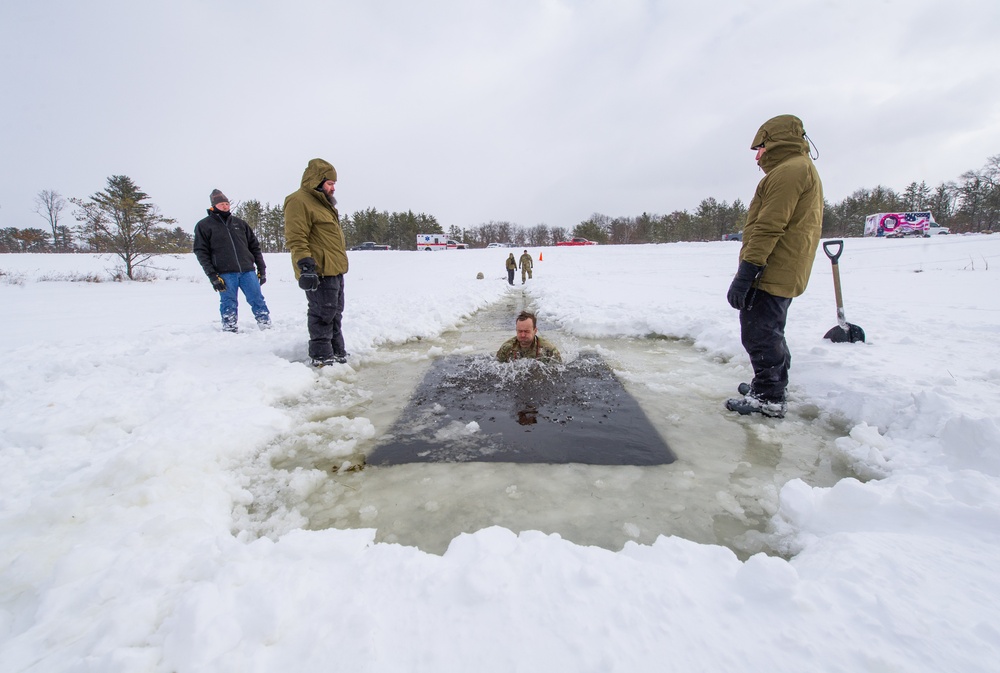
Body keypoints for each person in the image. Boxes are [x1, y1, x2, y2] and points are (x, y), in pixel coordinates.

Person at [725, 114, 823, 419]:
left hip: (772, 266)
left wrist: (748, 270)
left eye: (762, 147)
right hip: (780, 264)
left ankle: (769, 397)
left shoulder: (790, 171)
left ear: (776, 142)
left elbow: (769, 226)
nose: (758, 155)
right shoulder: (797, 168)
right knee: (768, 329)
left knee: (760, 332)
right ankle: (768, 385)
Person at [284, 158, 349, 366]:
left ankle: (338, 354)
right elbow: (296, 236)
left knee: (335, 314)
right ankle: (321, 358)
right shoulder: (298, 201)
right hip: (318, 270)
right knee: (322, 314)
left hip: (334, 269)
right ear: (317, 181)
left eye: (333, 184)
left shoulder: (324, 204)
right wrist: (305, 266)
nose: (333, 188)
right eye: (330, 183)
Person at [192, 189, 271, 332]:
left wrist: (262, 269)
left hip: (247, 271)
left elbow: (254, 247)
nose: (225, 206)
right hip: (225, 273)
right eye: (221, 204)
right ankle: (230, 328)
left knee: (257, 299)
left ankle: (265, 324)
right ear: (214, 206)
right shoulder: (204, 225)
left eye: (227, 203)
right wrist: (212, 276)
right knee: (229, 302)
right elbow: (201, 252)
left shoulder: (240, 223)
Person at [496, 311, 562, 363]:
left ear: (535, 331)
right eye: (520, 331)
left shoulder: (549, 350)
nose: (523, 335)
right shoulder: (507, 348)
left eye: (526, 331)